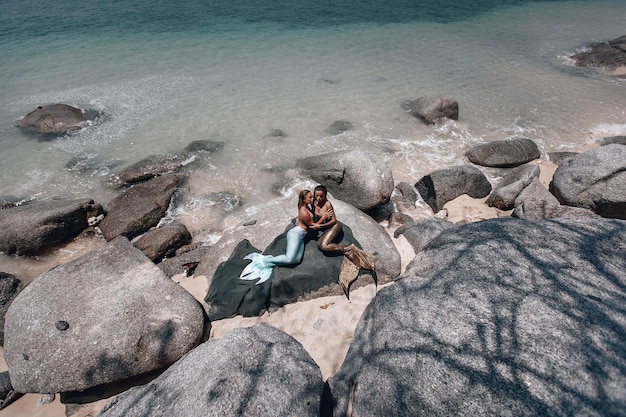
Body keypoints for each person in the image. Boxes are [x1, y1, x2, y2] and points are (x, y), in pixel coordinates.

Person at [239, 189, 331, 284]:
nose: (313, 198)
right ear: (304, 199)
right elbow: (312, 226)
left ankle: (271, 260)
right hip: (295, 235)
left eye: (312, 196)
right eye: (310, 197)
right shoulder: (304, 212)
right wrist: (323, 218)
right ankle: (266, 261)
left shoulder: (307, 207)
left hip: (301, 236)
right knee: (289, 259)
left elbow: (314, 212)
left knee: (296, 260)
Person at [312, 185, 376, 297]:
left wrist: (321, 225)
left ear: (325, 195)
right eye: (316, 195)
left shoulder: (328, 204)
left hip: (333, 227)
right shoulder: (314, 203)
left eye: (321, 196)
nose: (318, 198)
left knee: (322, 245)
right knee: (321, 244)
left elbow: (333, 221)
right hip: (323, 227)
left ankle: (347, 248)